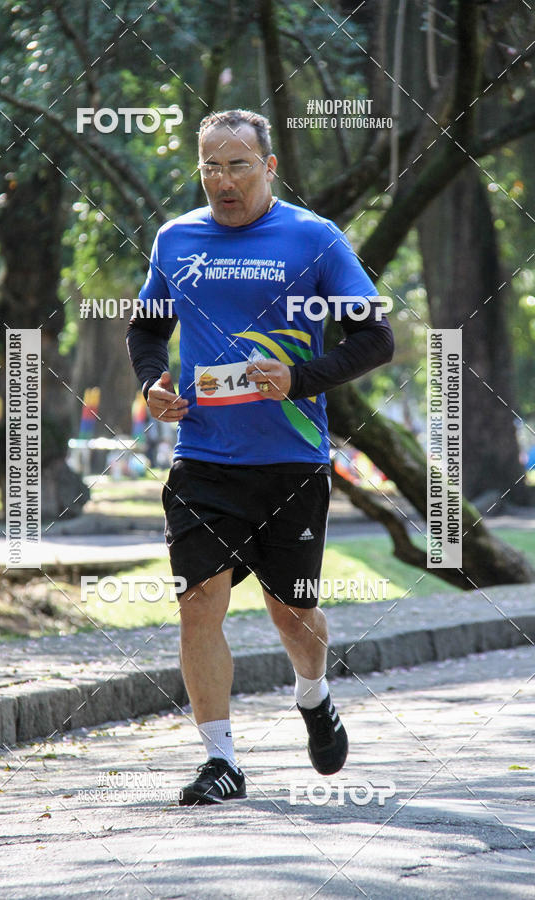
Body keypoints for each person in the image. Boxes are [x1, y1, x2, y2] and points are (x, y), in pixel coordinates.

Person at [127, 109, 394, 806]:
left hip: (290, 460)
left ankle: (314, 694)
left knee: (292, 614)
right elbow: (147, 325)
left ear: (269, 168)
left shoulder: (314, 237)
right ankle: (222, 761)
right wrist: (151, 381)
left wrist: (300, 379)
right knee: (198, 603)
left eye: (238, 164)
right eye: (210, 166)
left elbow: (375, 340)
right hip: (204, 458)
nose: (223, 180)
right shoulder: (176, 238)